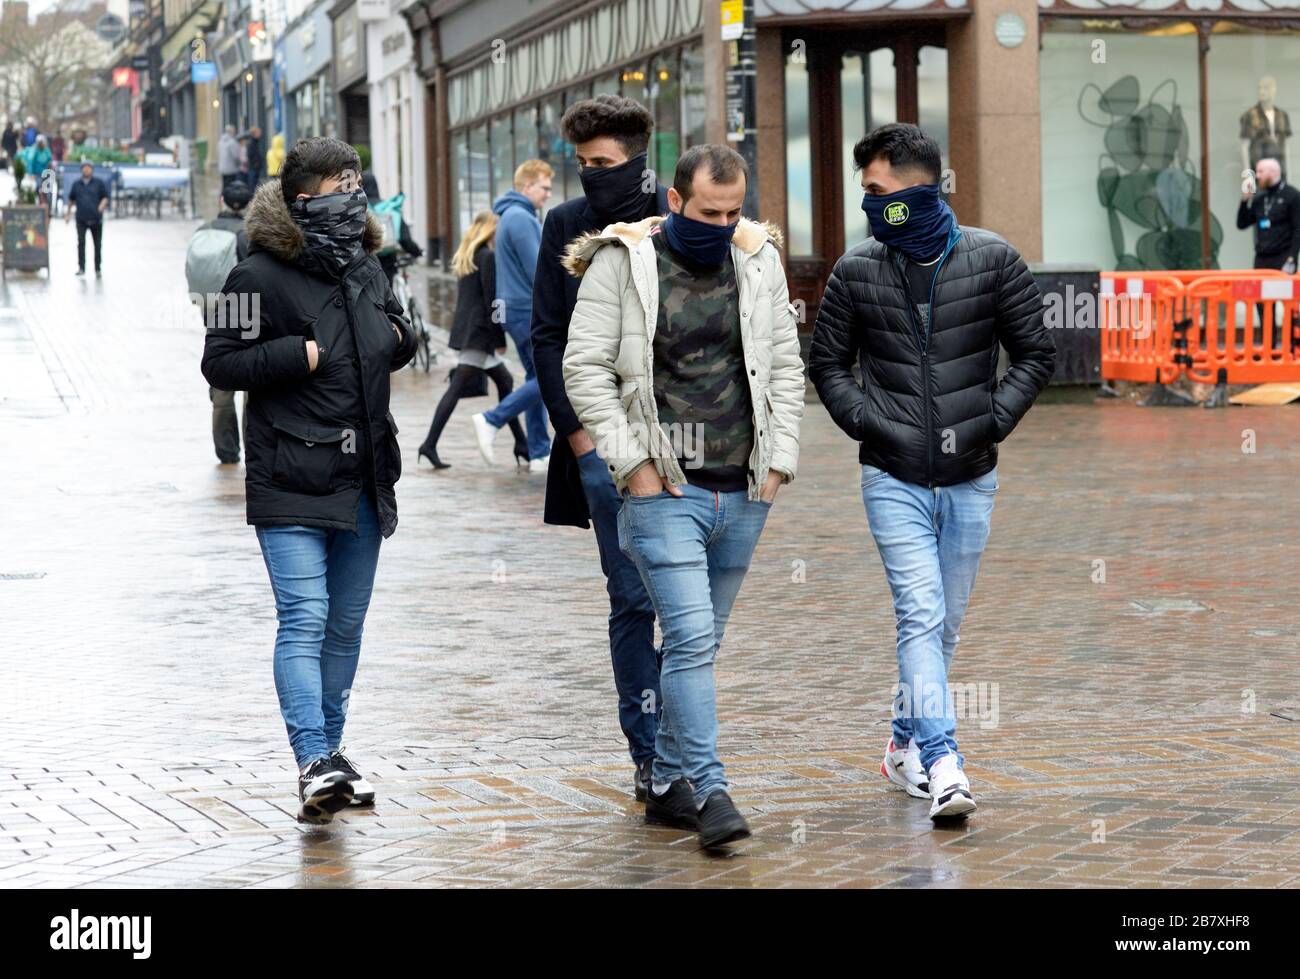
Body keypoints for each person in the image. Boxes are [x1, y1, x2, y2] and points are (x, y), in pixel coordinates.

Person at [808, 123, 1055, 822]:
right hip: (892, 475)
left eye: (877, 191)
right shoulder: (857, 270)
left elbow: (1035, 355)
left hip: (972, 472)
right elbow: (826, 364)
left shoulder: (993, 259)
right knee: (920, 614)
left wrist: (987, 421)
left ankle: (900, 743)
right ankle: (946, 761)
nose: (869, 205)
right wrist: (869, 421)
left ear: (920, 187)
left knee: (940, 628)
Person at [563, 144, 805, 848]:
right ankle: (711, 789)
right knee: (692, 638)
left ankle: (666, 779)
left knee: (701, 644)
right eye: (708, 212)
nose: (723, 223)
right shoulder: (621, 262)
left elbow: (785, 364)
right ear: (674, 202)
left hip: (744, 487)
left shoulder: (758, 258)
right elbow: (585, 369)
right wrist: (632, 464)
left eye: (734, 212)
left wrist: (779, 461)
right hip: (664, 488)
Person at [200, 137, 419, 824]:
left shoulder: (368, 265)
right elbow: (219, 361)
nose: (351, 194)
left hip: (363, 473)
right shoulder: (255, 273)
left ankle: (331, 752)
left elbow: (389, 335)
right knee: (305, 617)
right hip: (291, 472)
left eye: (356, 180)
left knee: (346, 627)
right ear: (301, 198)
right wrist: (297, 353)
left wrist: (399, 337)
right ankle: (312, 756)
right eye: (336, 184)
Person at [530, 94, 669, 802]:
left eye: (604, 164)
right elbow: (546, 336)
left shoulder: (674, 223)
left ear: (639, 160)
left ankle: (681, 744)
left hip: (681, 441)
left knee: (685, 602)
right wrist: (579, 435)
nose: (590, 175)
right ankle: (648, 754)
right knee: (629, 597)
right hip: (600, 448)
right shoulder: (562, 226)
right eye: (581, 164)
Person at [416, 211, 527, 469]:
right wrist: (499, 337)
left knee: (505, 381)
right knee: (456, 388)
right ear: (490, 231)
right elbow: (491, 302)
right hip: (479, 334)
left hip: (471, 331)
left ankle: (521, 443)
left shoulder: (470, 255)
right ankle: (429, 444)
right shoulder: (487, 257)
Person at [470, 159, 553, 472]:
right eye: (544, 187)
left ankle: (539, 451)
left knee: (538, 377)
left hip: (517, 310)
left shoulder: (513, 215)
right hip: (526, 311)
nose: (548, 194)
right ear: (527, 186)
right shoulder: (520, 218)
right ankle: (492, 419)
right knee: (550, 376)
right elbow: (538, 270)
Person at [189, 182, 253, 463]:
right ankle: (255, 448)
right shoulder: (250, 235)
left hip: (213, 314)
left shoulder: (203, 231)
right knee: (254, 381)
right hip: (248, 314)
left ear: (222, 200)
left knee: (222, 385)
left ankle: (227, 451)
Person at [64, 161, 109, 277]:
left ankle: (97, 268)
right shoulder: (76, 184)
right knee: (81, 243)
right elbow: (71, 200)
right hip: (81, 219)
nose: (86, 170)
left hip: (96, 218)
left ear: (92, 170)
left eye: (88, 168)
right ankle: (81, 267)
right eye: (84, 168)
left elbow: (105, 197)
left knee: (97, 244)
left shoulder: (99, 183)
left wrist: (101, 206)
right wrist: (68, 214)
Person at [218, 125, 241, 189]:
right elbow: (235, 156)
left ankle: (222, 198)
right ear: (231, 131)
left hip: (223, 168)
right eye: (234, 130)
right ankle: (228, 198)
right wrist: (239, 164)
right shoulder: (232, 142)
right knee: (231, 186)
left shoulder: (221, 141)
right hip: (231, 169)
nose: (235, 132)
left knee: (224, 186)